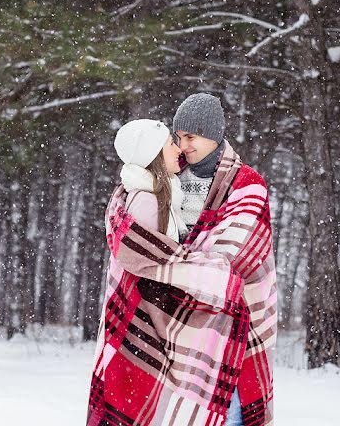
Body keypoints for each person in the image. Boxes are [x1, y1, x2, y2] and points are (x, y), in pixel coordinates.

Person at [87, 95, 277, 426]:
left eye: (190, 137)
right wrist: (170, 264)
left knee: (229, 407)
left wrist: (171, 264)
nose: (182, 145)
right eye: (177, 137)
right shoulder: (169, 178)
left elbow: (232, 261)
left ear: (214, 134)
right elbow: (140, 234)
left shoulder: (246, 185)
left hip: (225, 321)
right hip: (170, 317)